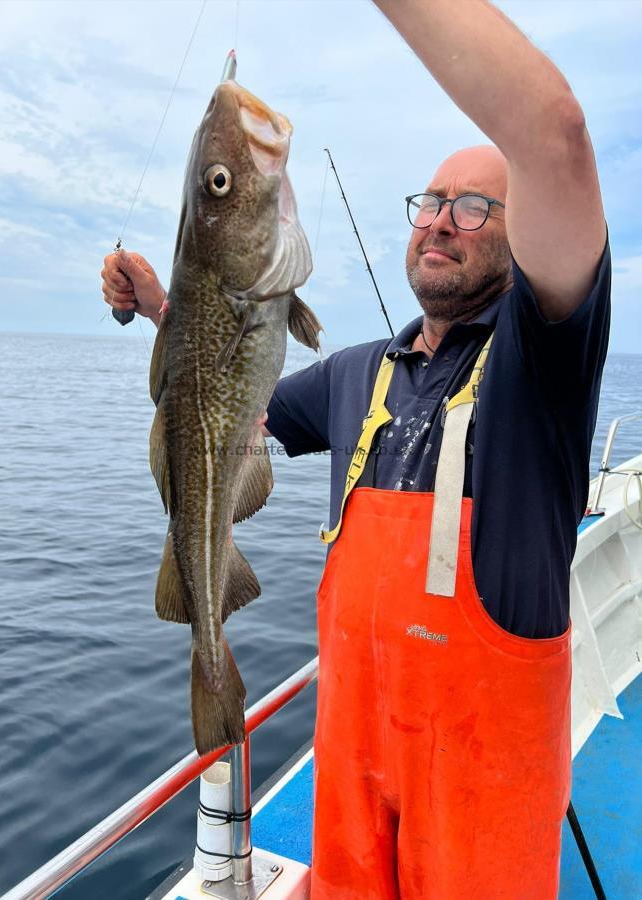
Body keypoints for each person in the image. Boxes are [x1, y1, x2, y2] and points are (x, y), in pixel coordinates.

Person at [101, 2, 610, 896]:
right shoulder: (352, 376)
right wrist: (160, 307)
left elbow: (555, 133)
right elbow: (227, 391)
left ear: (521, 229)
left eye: (476, 207)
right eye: (430, 203)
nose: (441, 221)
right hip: (352, 773)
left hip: (482, 793)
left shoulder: (544, 363)